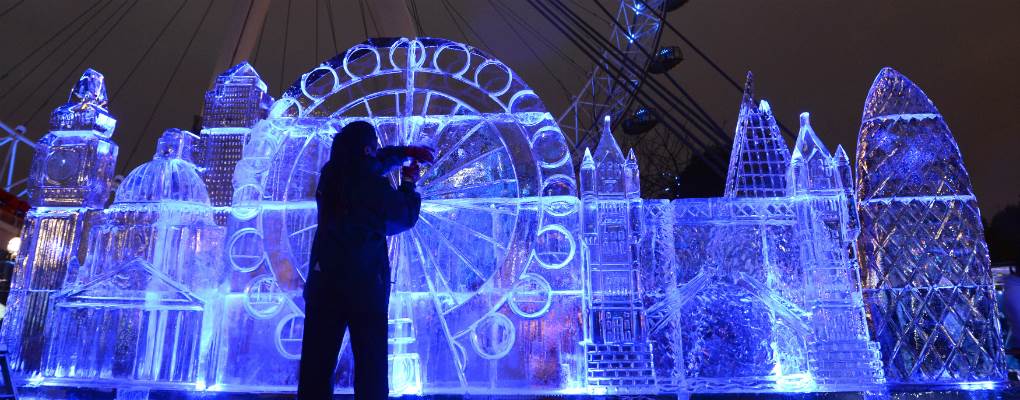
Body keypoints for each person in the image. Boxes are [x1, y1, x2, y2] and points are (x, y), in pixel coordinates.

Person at [298, 121, 433, 399]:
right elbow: (401, 216)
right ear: (366, 149)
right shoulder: (369, 185)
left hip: (324, 285)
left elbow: (367, 164)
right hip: (364, 288)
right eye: (372, 148)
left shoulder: (330, 174)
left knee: (317, 364)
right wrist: (408, 184)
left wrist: (402, 153)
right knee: (371, 369)